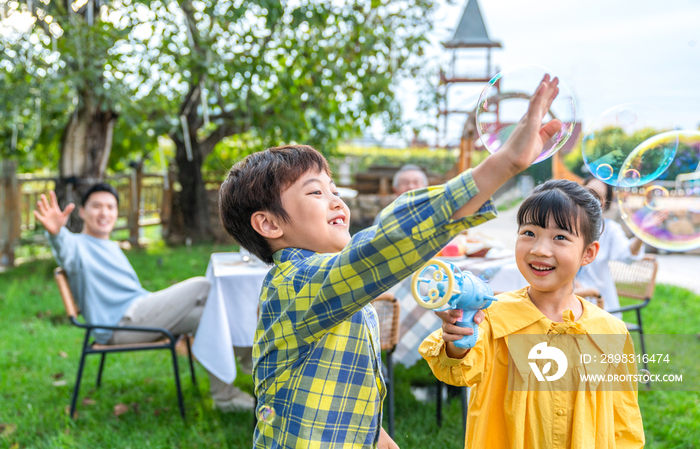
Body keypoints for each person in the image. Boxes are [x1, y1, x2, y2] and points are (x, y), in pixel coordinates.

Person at [218, 75, 563, 448]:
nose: (336, 201)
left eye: (334, 190)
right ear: (268, 224)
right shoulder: (296, 283)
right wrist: (504, 164)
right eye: (316, 192)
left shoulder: (328, 285)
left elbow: (338, 383)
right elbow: (381, 248)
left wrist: (377, 437)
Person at [419, 180, 645, 448]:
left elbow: (624, 423)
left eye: (560, 237)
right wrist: (457, 342)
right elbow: (454, 372)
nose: (539, 249)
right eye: (529, 233)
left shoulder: (612, 333)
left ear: (588, 253)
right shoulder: (490, 318)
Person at [34, 184, 254, 411]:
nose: (104, 213)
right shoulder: (77, 246)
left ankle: (225, 397)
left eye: (110, 207)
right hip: (121, 325)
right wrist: (56, 233)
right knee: (203, 286)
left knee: (206, 316)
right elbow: (65, 252)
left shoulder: (110, 246)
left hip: (140, 313)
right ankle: (247, 359)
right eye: (96, 206)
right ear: (82, 212)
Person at [577, 177, 644, 317]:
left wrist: (643, 233)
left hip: (600, 307)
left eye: (599, 197)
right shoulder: (564, 225)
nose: (592, 199)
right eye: (589, 192)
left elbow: (627, 255)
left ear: (605, 204)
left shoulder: (609, 229)